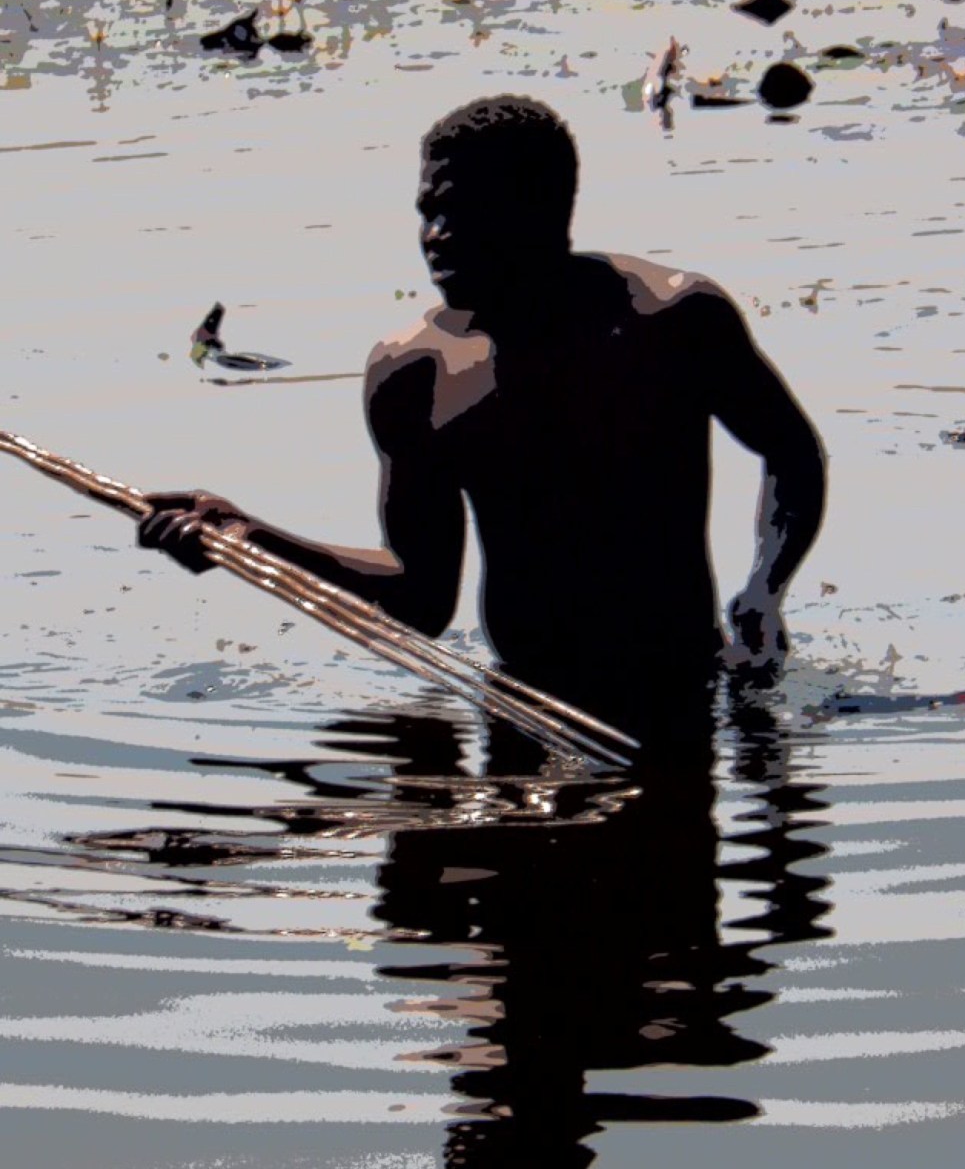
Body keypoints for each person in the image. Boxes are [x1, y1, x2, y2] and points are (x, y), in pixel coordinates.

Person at [140, 95, 826, 744]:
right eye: (427, 212)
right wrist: (250, 539)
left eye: (463, 212)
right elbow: (420, 598)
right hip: (528, 706)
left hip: (681, 697)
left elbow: (792, 452)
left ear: (542, 210)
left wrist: (765, 588)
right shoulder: (414, 372)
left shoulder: (669, 319)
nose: (435, 237)